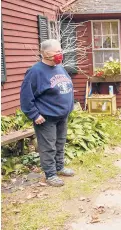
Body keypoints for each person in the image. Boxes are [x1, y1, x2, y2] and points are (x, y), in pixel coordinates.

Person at [20, 39, 74, 187]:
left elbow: (67, 86)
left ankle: (59, 167)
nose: (60, 54)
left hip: (62, 115)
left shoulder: (59, 67)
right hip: (46, 118)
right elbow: (26, 96)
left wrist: (69, 108)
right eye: (57, 51)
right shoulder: (35, 72)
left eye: (60, 51)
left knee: (60, 143)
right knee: (48, 146)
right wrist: (34, 114)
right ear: (45, 53)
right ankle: (50, 174)